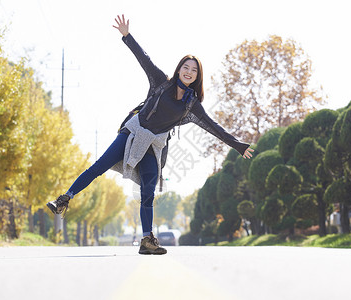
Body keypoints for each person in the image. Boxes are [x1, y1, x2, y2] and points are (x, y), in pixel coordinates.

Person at [47, 15, 254, 255]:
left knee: (148, 191)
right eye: (185, 67)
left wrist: (238, 146)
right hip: (133, 132)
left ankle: (147, 240)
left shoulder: (191, 104)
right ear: (179, 69)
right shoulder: (161, 82)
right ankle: (64, 198)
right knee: (100, 165)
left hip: (154, 144)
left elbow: (213, 126)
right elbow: (144, 59)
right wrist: (127, 36)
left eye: (194, 70)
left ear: (198, 76)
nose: (188, 72)